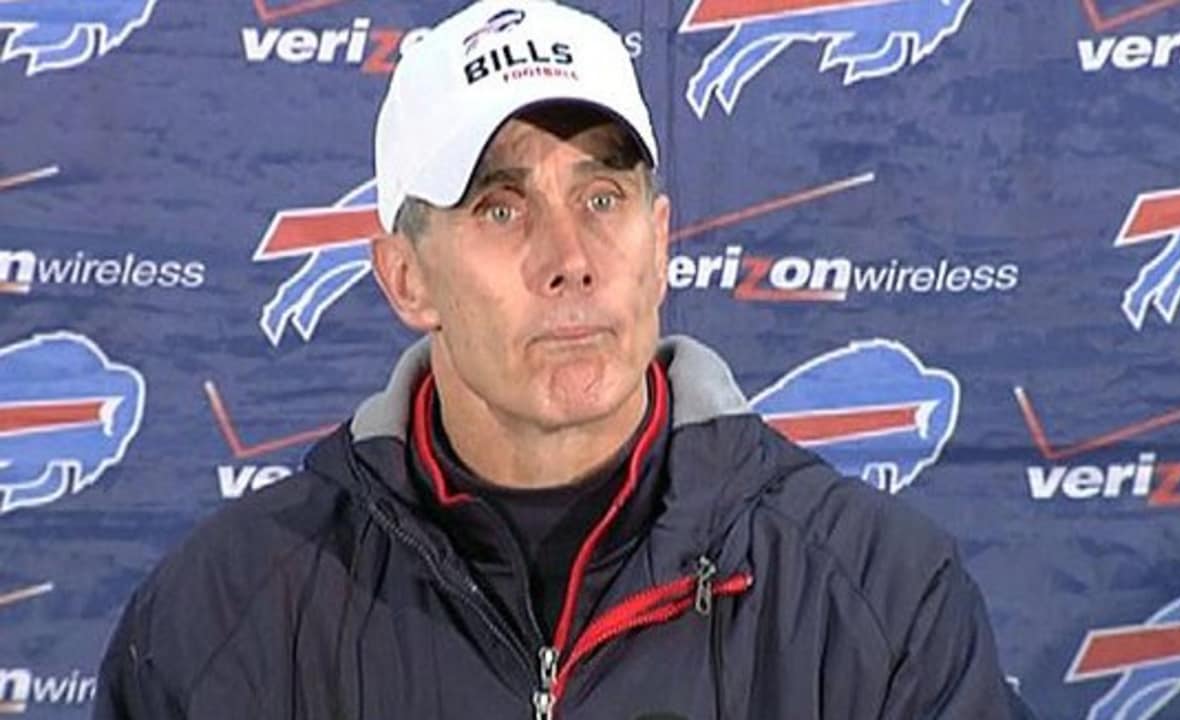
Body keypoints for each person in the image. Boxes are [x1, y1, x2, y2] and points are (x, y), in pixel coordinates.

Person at [95, 1, 1037, 718]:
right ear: (405, 277)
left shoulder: (877, 599)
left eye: (602, 197)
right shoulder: (223, 620)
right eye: (502, 208)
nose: (570, 260)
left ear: (660, 241)